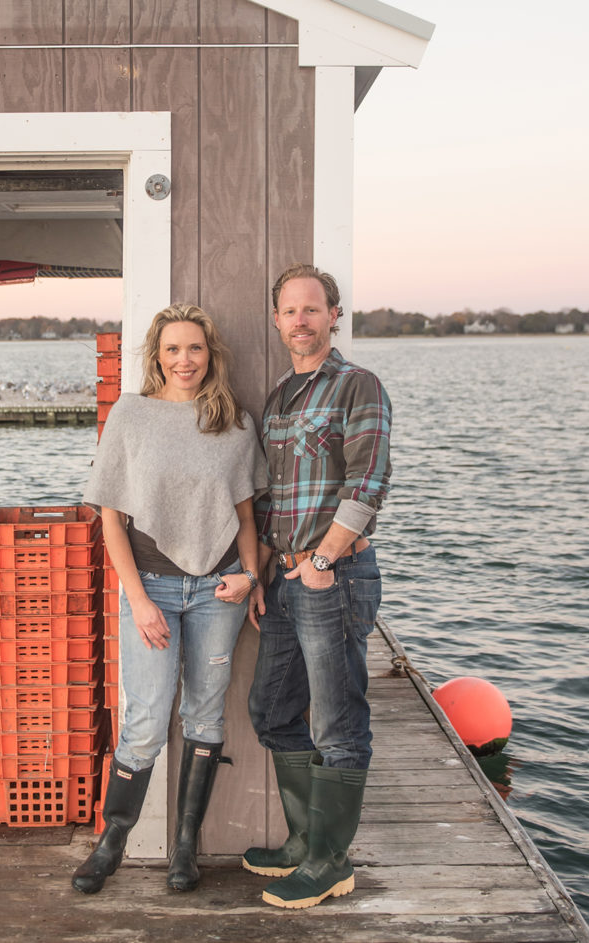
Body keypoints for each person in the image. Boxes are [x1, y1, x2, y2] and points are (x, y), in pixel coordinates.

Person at [73, 303, 266, 895]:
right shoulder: (131, 416)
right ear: (156, 355)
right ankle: (113, 842)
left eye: (196, 349)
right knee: (147, 719)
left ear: (212, 356)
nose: (185, 360)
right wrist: (137, 600)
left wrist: (251, 575)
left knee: (205, 715)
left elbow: (245, 515)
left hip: (219, 591)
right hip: (151, 589)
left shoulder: (233, 423)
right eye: (173, 349)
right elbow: (112, 519)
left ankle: (186, 847)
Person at [243, 263, 392, 909]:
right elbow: (271, 494)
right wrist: (267, 569)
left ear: (334, 315)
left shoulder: (358, 386)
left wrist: (324, 561)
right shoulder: (280, 396)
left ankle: (331, 862)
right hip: (283, 577)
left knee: (337, 721)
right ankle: (305, 842)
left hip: (332, 575)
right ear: (276, 320)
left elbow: (368, 482)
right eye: (289, 310)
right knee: (272, 710)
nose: (300, 320)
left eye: (312, 309)